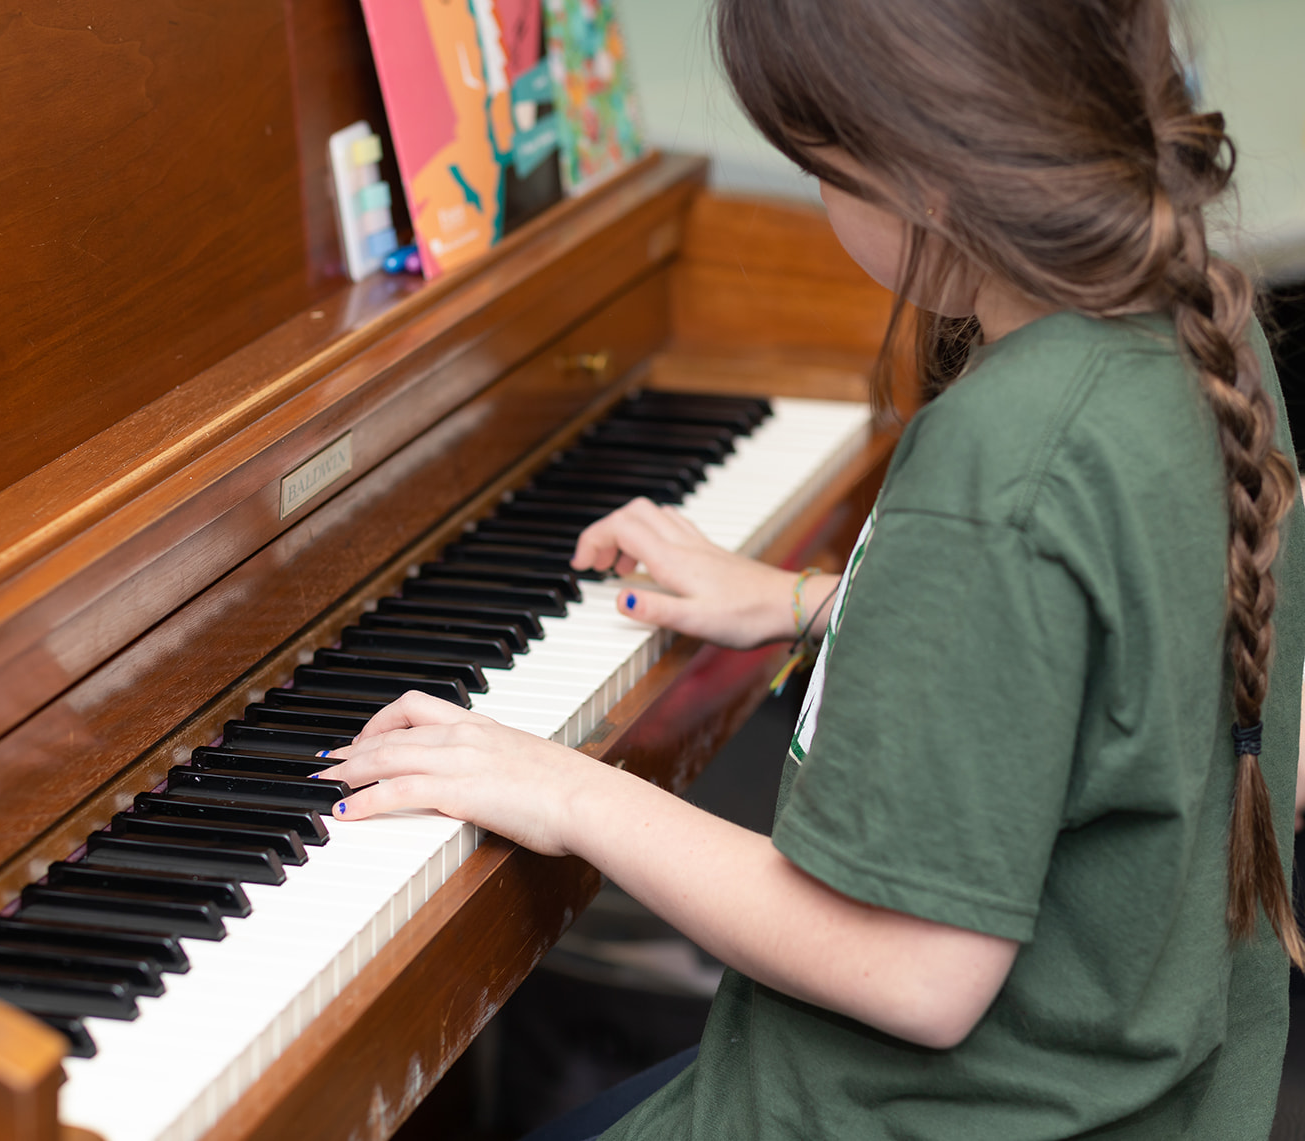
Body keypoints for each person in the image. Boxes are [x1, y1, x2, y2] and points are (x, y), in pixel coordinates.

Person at [319, 0, 1305, 1135]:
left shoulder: (1000, 455)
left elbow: (915, 971)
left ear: (925, 174)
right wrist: (819, 601)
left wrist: (567, 788)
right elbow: (1108, 668)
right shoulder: (1199, 335)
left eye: (819, 167)